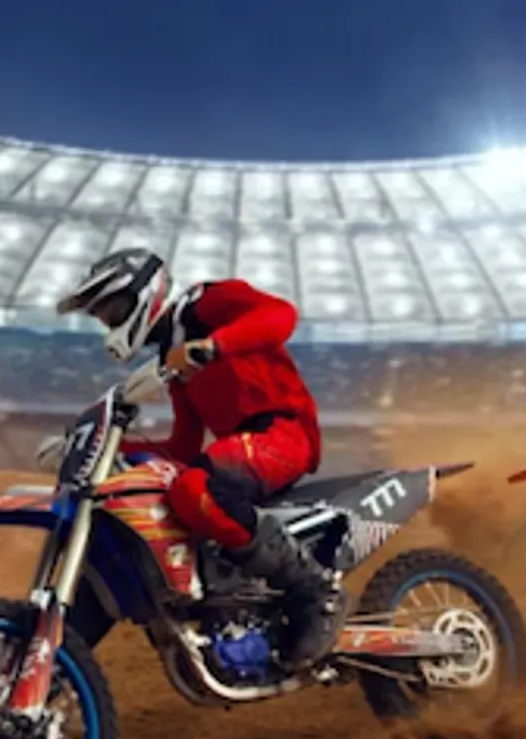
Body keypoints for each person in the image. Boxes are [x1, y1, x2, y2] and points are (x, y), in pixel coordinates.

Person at [51, 247, 343, 672]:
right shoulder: (173, 358)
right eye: (103, 316)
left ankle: (315, 591)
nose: (110, 323)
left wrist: (214, 344)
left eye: (112, 310)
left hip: (283, 433)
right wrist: (108, 448)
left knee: (195, 488)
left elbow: (281, 315)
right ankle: (59, 655)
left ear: (144, 293)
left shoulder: (206, 304)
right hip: (243, 446)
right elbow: (185, 446)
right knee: (132, 502)